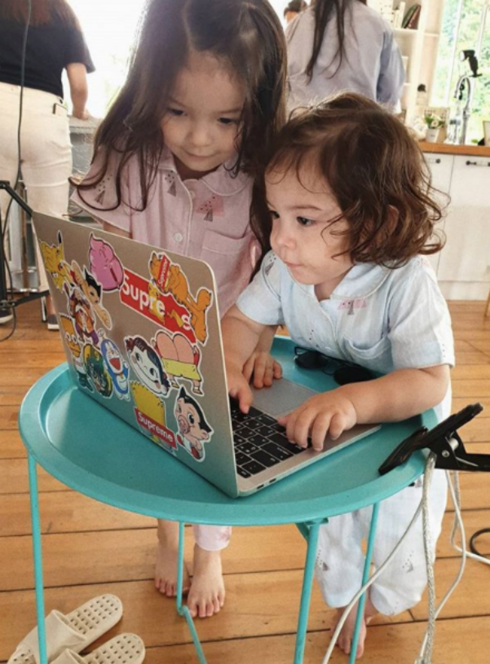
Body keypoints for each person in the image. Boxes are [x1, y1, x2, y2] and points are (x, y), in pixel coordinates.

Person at [70, 0, 286, 619]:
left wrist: (262, 342)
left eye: (226, 119)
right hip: (143, 339)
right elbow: (105, 254)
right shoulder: (127, 154)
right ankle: (167, 533)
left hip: (225, 345)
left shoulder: (263, 172)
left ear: (256, 109)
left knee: (216, 448)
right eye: (177, 111)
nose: (199, 137)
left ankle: (210, 550)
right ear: (150, 90)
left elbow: (274, 266)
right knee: (157, 439)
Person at [222, 93, 454, 658]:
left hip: (401, 432)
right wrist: (230, 363)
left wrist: (354, 402)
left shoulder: (404, 282)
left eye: (304, 219)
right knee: (338, 526)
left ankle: (375, 601)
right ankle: (347, 601)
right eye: (276, 215)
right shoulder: (286, 266)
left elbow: (429, 379)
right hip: (324, 418)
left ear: (376, 220)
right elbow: (241, 321)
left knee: (395, 541)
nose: (280, 237)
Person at [0, 0, 94, 328]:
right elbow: (79, 85)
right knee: (51, 218)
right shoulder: (62, 14)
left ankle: (1, 305)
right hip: (45, 115)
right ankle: (55, 307)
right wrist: (79, 111)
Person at [285, 0, 405, 111]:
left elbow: (283, 89)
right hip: (358, 124)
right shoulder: (377, 26)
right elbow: (390, 95)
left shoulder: (296, 26)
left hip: (302, 124)